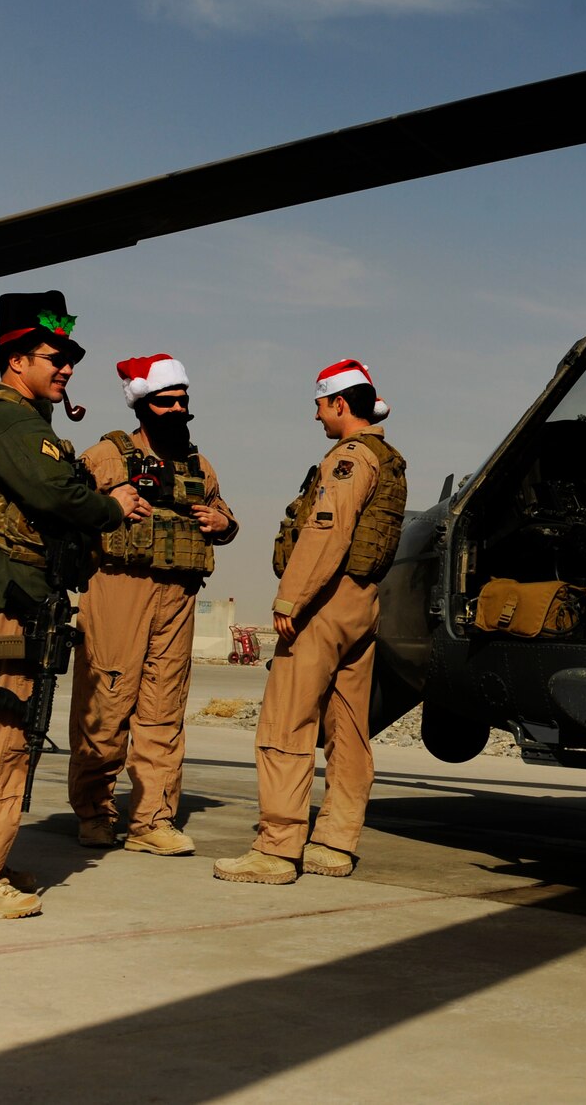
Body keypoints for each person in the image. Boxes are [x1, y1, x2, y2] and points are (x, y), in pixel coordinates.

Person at [0, 291, 147, 918]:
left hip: (14, 591)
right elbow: (55, 493)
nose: (67, 368)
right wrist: (112, 507)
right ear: (17, 360)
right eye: (56, 357)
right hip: (4, 592)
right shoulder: (6, 419)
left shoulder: (19, 421)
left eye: (70, 359)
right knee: (1, 728)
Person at [215, 359, 407, 884]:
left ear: (340, 403)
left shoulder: (349, 458)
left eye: (320, 405)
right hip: (360, 606)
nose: (317, 415)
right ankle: (335, 843)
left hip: (324, 602)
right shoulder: (387, 458)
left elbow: (327, 532)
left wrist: (290, 601)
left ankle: (277, 849)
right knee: (348, 728)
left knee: (287, 723)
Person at [69, 354, 238, 856]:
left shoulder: (198, 464)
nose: (178, 409)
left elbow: (223, 512)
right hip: (117, 587)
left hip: (178, 596)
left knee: (164, 708)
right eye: (166, 402)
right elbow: (66, 509)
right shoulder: (106, 456)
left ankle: (152, 821)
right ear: (142, 405)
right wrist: (110, 502)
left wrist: (223, 524)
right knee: (107, 700)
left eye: (183, 401)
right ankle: (95, 811)